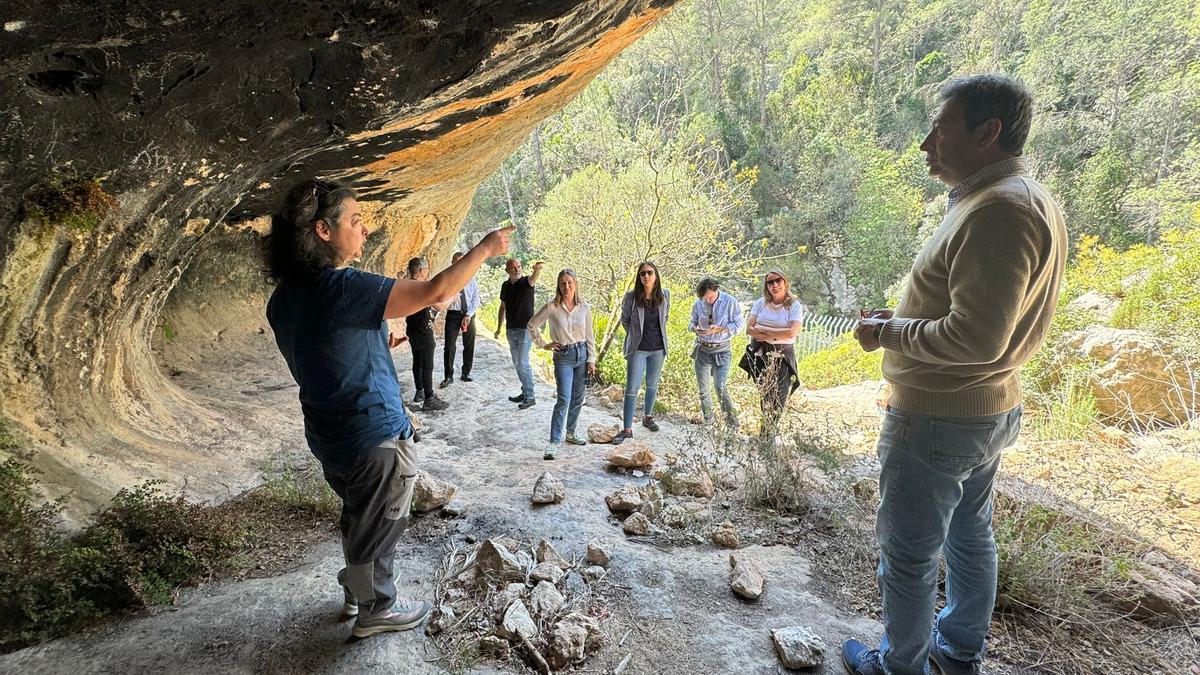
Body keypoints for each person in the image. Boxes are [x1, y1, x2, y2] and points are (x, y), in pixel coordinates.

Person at [840, 75, 1066, 675]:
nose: (926, 143)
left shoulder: (1000, 210)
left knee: (909, 556)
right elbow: (979, 317)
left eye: (941, 128)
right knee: (971, 535)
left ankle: (900, 665)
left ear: (987, 132)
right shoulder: (1023, 195)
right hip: (985, 408)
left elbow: (975, 336)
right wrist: (907, 317)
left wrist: (887, 333)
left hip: (939, 415)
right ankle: (958, 649)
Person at [263, 178, 511, 638]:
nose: (364, 230)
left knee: (361, 510)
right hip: (372, 432)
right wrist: (483, 249)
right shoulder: (342, 287)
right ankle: (376, 605)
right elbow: (437, 292)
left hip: (328, 433)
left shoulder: (284, 298)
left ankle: (357, 586)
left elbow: (323, 352)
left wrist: (377, 343)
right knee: (384, 517)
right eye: (355, 221)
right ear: (322, 230)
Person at [527, 269, 597, 460]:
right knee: (564, 399)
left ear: (575, 284)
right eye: (562, 283)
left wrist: (591, 359)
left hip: (582, 354)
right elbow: (532, 324)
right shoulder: (552, 306)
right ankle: (553, 442)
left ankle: (571, 433)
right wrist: (543, 344)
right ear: (558, 285)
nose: (566, 287)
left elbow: (590, 336)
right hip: (563, 356)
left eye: (569, 283)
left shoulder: (585, 307)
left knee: (577, 398)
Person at [612, 261, 671, 445]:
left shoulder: (664, 295)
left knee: (652, 384)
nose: (646, 276)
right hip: (638, 349)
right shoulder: (631, 296)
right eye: (642, 273)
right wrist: (635, 335)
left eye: (650, 272)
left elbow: (665, 317)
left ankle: (648, 417)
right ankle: (627, 428)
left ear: (656, 275)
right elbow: (625, 320)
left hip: (658, 348)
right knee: (632, 389)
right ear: (639, 277)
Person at [741, 271, 803, 422]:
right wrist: (777, 334)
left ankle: (768, 435)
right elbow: (749, 329)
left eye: (778, 281)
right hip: (759, 353)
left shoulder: (794, 306)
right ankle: (765, 435)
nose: (774, 285)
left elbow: (792, 332)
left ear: (785, 282)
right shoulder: (761, 303)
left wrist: (764, 330)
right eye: (770, 282)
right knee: (766, 393)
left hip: (782, 354)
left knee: (779, 394)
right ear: (766, 286)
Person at [689, 278, 744, 429]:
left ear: (717, 290)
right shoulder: (699, 303)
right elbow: (691, 323)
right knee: (703, 390)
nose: (707, 300)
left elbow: (739, 325)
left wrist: (720, 329)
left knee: (720, 386)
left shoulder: (730, 301)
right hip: (703, 349)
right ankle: (709, 422)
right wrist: (695, 329)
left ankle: (732, 425)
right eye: (704, 298)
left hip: (722, 349)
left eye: (710, 297)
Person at [494, 258, 544, 409]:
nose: (516, 269)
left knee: (523, 363)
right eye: (513, 267)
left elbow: (534, 278)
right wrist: (498, 328)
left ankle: (530, 396)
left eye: (519, 266)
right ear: (507, 270)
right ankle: (525, 391)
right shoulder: (505, 286)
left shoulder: (526, 283)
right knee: (517, 364)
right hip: (511, 330)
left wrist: (537, 269)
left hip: (525, 329)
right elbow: (502, 308)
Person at [404, 257, 449, 412]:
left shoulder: (406, 284)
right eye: (427, 269)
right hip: (423, 330)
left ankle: (420, 391)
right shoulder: (421, 287)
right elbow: (440, 306)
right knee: (427, 365)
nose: (428, 272)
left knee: (417, 360)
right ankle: (429, 398)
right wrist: (452, 297)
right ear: (421, 271)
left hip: (412, 328)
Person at [441, 251, 480, 388]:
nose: (459, 264)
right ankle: (448, 376)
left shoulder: (471, 278)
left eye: (462, 261)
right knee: (449, 346)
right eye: (456, 261)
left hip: (468, 314)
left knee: (469, 344)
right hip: (453, 314)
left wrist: (469, 315)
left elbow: (476, 299)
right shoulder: (447, 278)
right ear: (452, 263)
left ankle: (466, 373)